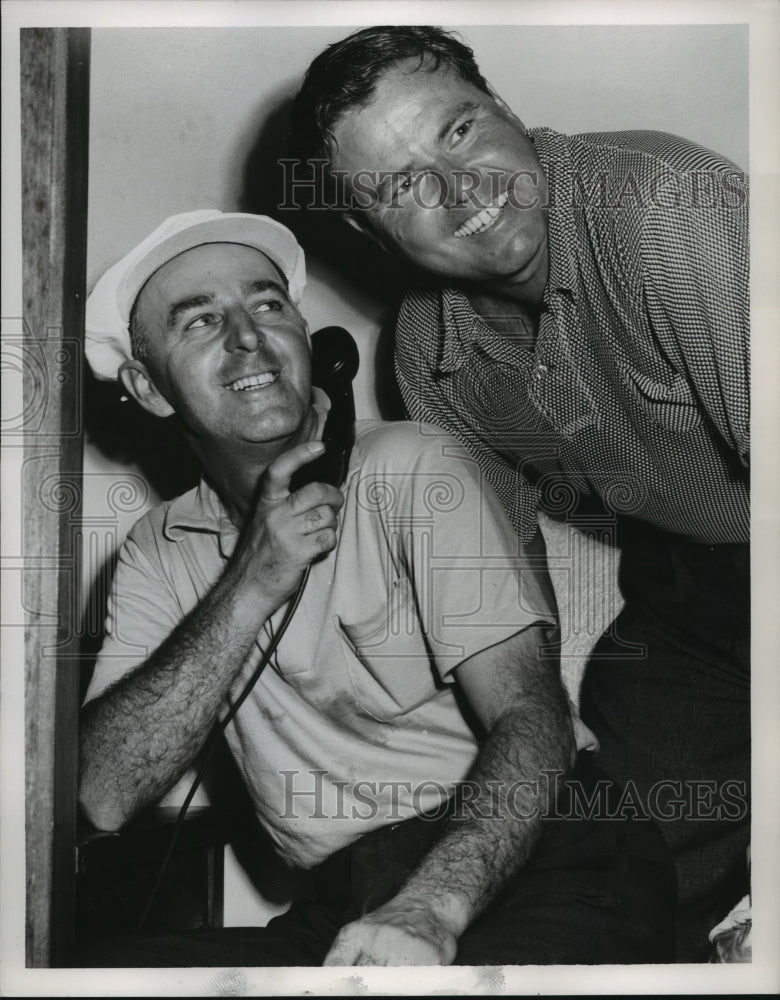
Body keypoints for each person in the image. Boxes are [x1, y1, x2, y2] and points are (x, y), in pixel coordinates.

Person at [79, 210, 675, 967]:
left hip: (531, 848)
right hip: (343, 890)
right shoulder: (156, 552)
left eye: (267, 305)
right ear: (148, 388)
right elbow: (101, 793)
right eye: (199, 322)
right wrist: (252, 582)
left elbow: (534, 716)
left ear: (306, 337)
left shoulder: (412, 466)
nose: (248, 338)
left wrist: (430, 908)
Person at [290, 25, 750, 962]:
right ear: (361, 228)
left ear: (506, 108)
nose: (462, 193)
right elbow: (510, 618)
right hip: (696, 588)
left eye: (459, 132)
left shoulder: (665, 210)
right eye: (402, 184)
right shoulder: (429, 356)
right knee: (621, 854)